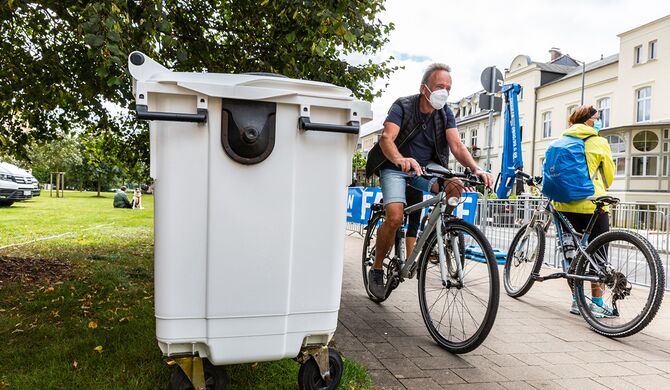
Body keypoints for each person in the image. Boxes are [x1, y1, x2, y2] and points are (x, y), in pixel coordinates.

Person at [364, 63, 493, 300]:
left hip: (426, 169)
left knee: (455, 185)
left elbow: (456, 145)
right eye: (439, 86)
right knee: (394, 217)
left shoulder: (445, 113)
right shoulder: (403, 105)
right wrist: (400, 158)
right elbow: (386, 138)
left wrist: (476, 168)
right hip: (396, 167)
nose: (443, 92)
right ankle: (377, 268)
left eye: (448, 88)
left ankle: (439, 228)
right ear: (424, 88)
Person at [554, 105, 615, 317]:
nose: (599, 121)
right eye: (597, 118)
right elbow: (608, 178)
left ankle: (576, 301)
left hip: (563, 205)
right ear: (589, 121)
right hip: (592, 204)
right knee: (598, 256)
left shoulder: (559, 142)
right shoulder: (599, 142)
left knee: (572, 255)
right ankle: (596, 302)